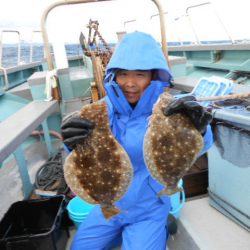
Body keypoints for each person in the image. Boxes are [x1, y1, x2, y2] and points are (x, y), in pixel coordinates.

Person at [61, 31, 213, 250]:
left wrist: (200, 129)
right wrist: (70, 143)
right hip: (109, 202)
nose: (129, 83)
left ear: (153, 76)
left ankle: (160, 226)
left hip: (148, 207)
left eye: (140, 74)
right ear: (114, 75)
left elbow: (199, 147)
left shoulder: (169, 110)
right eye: (123, 74)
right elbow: (80, 162)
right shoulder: (99, 111)